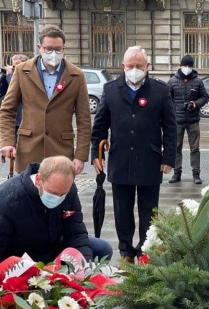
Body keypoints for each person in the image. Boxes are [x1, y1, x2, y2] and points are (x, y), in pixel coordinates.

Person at [91, 46, 177, 263]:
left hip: (150, 159)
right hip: (120, 160)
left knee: (149, 210)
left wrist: (169, 158)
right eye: (130, 66)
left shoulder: (160, 90)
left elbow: (170, 126)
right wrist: (96, 154)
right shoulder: (111, 89)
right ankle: (127, 251)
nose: (134, 70)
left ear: (147, 66)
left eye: (139, 66)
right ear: (123, 66)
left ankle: (146, 249)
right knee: (122, 211)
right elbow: (99, 125)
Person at [0, 25, 91, 175]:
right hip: (29, 150)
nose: (53, 53)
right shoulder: (22, 71)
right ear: (39, 47)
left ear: (64, 49)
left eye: (58, 49)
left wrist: (80, 155)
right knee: (28, 197)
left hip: (61, 151)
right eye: (49, 49)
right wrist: (7, 141)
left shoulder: (76, 75)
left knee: (59, 196)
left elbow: (84, 118)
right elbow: (7, 110)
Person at [0, 156, 113, 263]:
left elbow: (75, 232)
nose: (58, 198)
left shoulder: (69, 190)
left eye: (63, 194)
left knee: (102, 248)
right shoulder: (9, 199)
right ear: (39, 179)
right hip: (19, 255)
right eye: (53, 193)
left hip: (53, 247)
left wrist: (85, 268)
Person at [168, 55, 208, 184]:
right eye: (185, 66)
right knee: (176, 147)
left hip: (193, 120)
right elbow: (167, 100)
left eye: (189, 66)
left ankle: (196, 174)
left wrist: (195, 104)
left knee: (195, 148)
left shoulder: (198, 81)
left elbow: (204, 97)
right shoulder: (173, 81)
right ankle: (176, 173)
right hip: (177, 120)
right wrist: (173, 112)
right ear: (180, 66)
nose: (187, 68)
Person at [0, 54, 29, 141]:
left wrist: (9, 75)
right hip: (12, 116)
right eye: (13, 65)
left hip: (23, 117)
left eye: (17, 65)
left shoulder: (28, 75)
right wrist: (4, 76)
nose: (15, 68)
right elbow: (2, 91)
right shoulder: (11, 75)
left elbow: (19, 87)